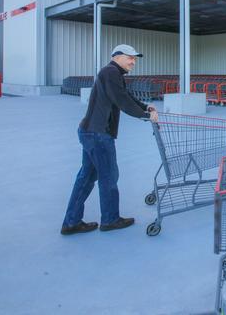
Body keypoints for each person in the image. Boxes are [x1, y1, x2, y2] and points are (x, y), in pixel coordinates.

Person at [60, 44, 159, 235]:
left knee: (86, 177)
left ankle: (71, 222)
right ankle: (110, 219)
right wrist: (145, 116)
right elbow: (121, 100)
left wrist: (145, 107)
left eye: (135, 58)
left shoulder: (113, 74)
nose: (133, 61)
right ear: (118, 56)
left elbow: (126, 96)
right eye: (130, 57)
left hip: (90, 131)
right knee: (109, 176)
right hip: (98, 134)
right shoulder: (110, 72)